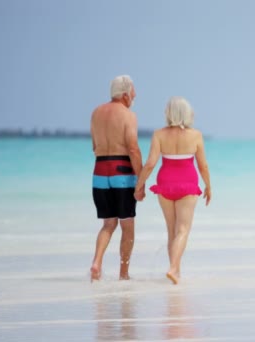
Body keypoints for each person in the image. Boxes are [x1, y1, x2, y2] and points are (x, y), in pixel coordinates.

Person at [134, 96, 211, 285]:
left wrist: (139, 186)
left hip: (165, 183)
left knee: (171, 231)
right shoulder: (196, 135)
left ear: (168, 113)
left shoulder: (159, 134)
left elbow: (151, 163)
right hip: (187, 184)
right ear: (187, 113)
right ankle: (174, 269)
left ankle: (176, 271)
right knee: (183, 230)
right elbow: (203, 166)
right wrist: (208, 186)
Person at [89, 75, 143, 282]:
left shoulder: (96, 113)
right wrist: (141, 180)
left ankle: (97, 263)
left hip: (100, 171)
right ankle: (124, 273)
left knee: (107, 224)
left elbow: (95, 146)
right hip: (122, 172)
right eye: (133, 93)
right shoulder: (128, 115)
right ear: (125, 94)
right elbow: (133, 148)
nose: (134, 97)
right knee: (127, 227)